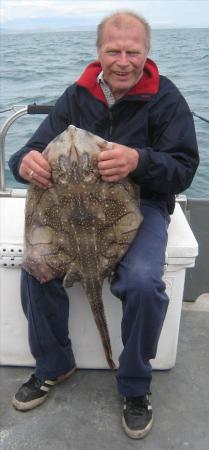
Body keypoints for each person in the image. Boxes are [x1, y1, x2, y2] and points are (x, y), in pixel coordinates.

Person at [9, 11, 199, 439]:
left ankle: (134, 384)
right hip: (70, 208)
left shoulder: (166, 100)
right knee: (37, 268)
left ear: (147, 53)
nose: (123, 61)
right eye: (114, 50)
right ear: (99, 52)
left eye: (133, 51)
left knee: (144, 282)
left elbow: (183, 170)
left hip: (142, 205)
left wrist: (139, 160)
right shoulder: (76, 96)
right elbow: (32, 148)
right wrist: (24, 162)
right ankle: (55, 364)